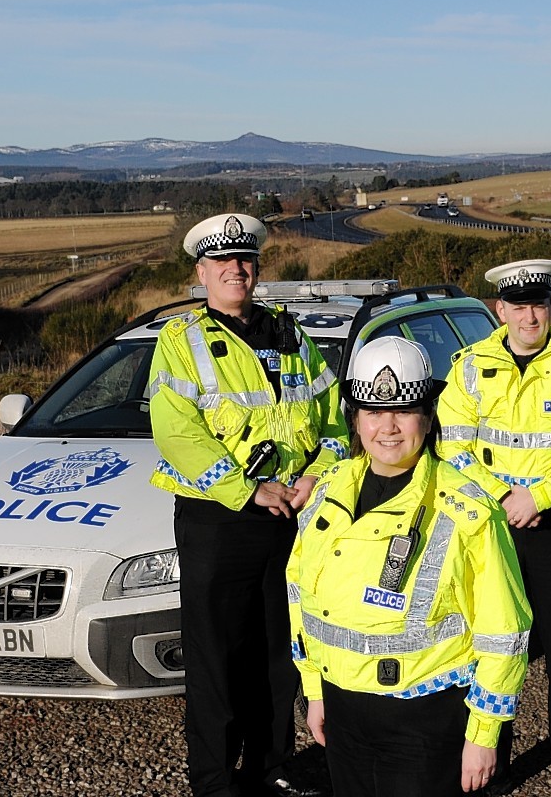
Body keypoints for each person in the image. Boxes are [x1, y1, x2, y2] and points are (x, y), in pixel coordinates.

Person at [149, 212, 346, 797]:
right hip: (220, 519)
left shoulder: (292, 335)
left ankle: (272, 765)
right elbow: (176, 432)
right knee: (216, 658)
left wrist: (316, 474)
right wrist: (245, 488)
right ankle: (214, 781)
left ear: (257, 268)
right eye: (224, 262)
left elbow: (333, 418)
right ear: (202, 272)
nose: (237, 270)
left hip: (289, 515)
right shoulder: (181, 343)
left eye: (246, 260)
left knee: (278, 649)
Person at [286, 336, 531, 797]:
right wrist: (315, 690)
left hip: (426, 720)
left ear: (427, 416)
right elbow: (301, 595)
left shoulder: (468, 509)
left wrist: (483, 735)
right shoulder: (327, 490)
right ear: (354, 419)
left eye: (403, 410)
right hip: (344, 709)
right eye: (374, 412)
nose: (388, 427)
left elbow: (504, 629)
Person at [437, 258, 551, 797]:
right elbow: (452, 445)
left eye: (538, 304)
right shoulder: (468, 366)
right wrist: (504, 499)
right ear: (500, 309)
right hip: (492, 527)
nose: (528, 315)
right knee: (494, 645)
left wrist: (539, 495)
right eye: (518, 305)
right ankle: (493, 769)